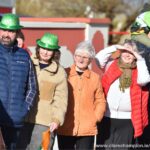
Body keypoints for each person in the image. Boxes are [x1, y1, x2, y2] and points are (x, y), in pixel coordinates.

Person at [95, 39, 150, 149]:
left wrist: (139, 58)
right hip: (106, 117)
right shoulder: (111, 64)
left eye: (131, 52)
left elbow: (144, 80)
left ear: (135, 55)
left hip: (127, 121)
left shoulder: (139, 69)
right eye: (125, 51)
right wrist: (115, 47)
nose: (127, 54)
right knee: (102, 147)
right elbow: (98, 59)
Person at [19, 32, 68, 150]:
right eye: (43, 48)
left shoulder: (59, 72)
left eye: (49, 49)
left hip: (44, 122)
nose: (45, 52)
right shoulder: (27, 62)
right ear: (38, 48)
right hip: (22, 117)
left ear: (55, 52)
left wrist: (56, 119)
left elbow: (61, 99)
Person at [57, 41, 106, 150]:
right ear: (74, 56)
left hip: (87, 127)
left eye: (85, 57)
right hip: (65, 126)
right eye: (78, 55)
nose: (81, 59)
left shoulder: (95, 78)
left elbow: (100, 100)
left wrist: (96, 118)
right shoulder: (65, 73)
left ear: (90, 59)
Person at [0, 13, 37, 150]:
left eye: (11, 31)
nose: (6, 34)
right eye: (3, 29)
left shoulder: (24, 55)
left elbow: (32, 87)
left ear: (17, 33)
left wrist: (24, 108)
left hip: (15, 121)